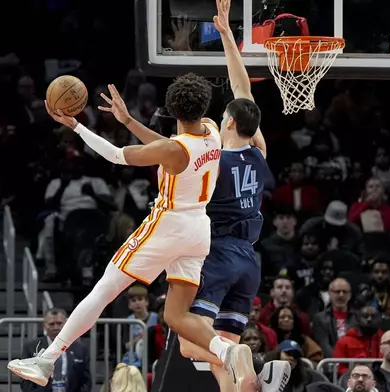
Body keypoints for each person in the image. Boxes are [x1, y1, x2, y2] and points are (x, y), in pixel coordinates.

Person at [8, 72, 230, 387]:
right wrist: (128, 121)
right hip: (199, 229)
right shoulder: (212, 130)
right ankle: (226, 349)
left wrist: (77, 126)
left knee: (105, 289)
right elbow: (168, 147)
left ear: (171, 110)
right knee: (177, 315)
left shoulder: (173, 150)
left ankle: (46, 361)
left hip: (169, 223)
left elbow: (116, 155)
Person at [172, 1, 289, 391]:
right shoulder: (259, 149)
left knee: (192, 346)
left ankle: (242, 360)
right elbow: (242, 89)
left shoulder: (212, 160)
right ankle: (248, 375)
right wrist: (225, 35)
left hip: (218, 253)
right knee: (225, 363)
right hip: (249, 261)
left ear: (230, 122)